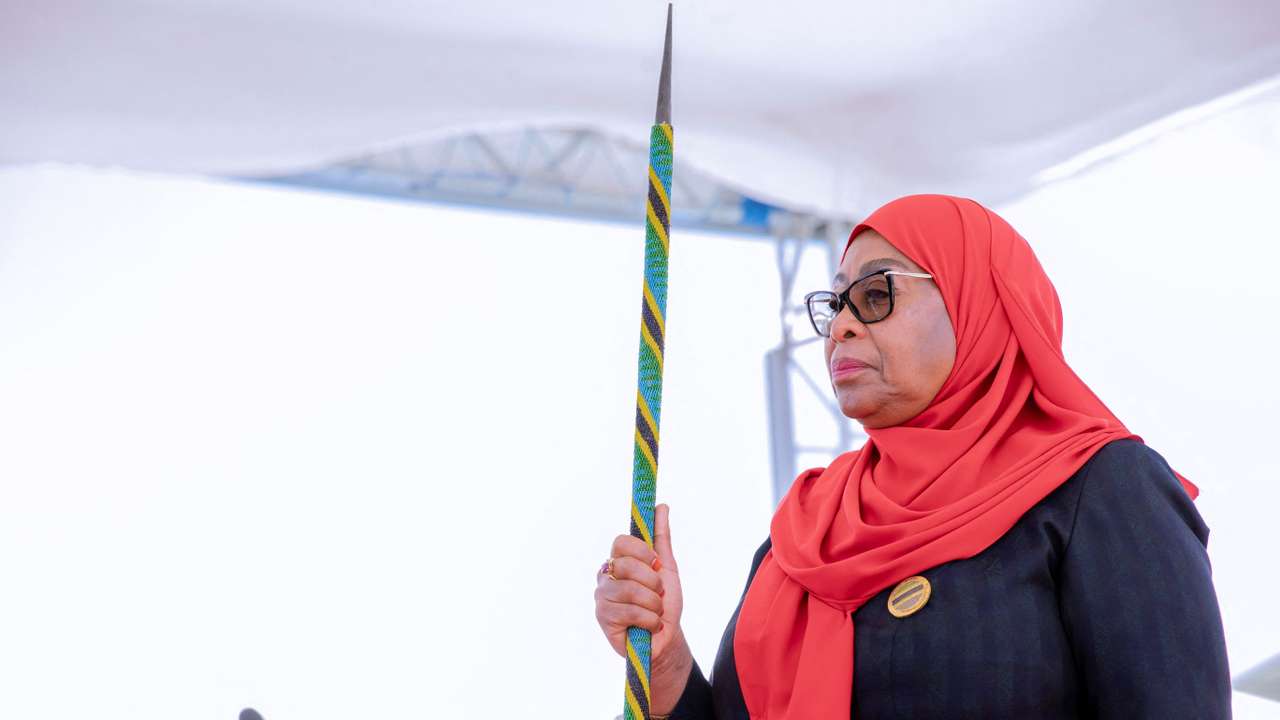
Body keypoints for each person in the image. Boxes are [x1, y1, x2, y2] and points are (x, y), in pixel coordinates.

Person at [593, 194, 1232, 719]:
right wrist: (667, 653)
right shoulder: (804, 531)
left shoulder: (1101, 488)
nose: (842, 325)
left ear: (981, 303)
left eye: (876, 296)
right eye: (836, 304)